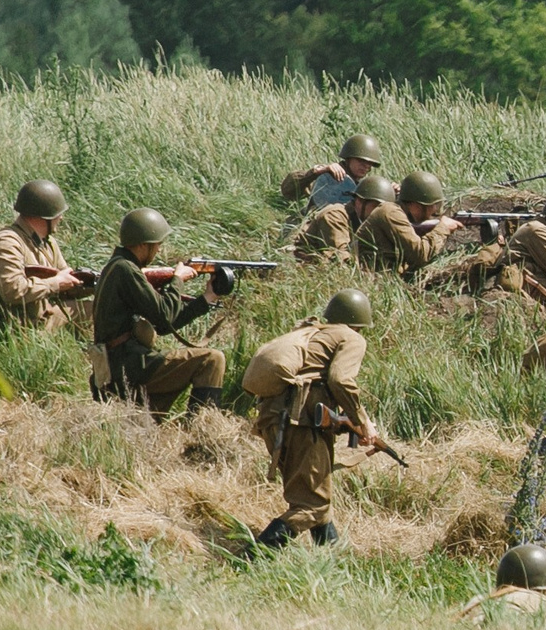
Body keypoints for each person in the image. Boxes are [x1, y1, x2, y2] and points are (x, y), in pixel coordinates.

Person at [239, 289, 387, 549]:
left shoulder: (315, 334)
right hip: (301, 423)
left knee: (318, 501)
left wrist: (350, 422)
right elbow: (341, 380)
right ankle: (249, 559)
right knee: (311, 506)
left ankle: (332, 560)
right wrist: (362, 421)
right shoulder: (351, 337)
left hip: (274, 420)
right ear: (360, 322)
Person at [89, 208, 228, 419]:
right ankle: (203, 429)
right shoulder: (126, 270)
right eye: (157, 244)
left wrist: (206, 299)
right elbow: (164, 315)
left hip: (117, 366)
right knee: (212, 359)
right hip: (128, 364)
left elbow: (164, 325)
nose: (158, 250)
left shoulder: (117, 267)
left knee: (144, 427)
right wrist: (178, 280)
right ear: (143, 245)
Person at [0, 179, 92, 331]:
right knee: (94, 312)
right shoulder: (7, 242)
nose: (61, 218)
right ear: (45, 216)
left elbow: (63, 285)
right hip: (7, 325)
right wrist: (56, 283)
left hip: (36, 317)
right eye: (58, 214)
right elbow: (12, 290)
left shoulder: (48, 242)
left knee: (96, 308)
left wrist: (90, 285)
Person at [354, 171, 463, 276]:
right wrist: (443, 228)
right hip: (368, 278)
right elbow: (419, 255)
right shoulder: (390, 212)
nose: (435, 210)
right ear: (417, 206)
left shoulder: (398, 213)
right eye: (433, 205)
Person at [286, 172, 394, 264]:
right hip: (300, 264)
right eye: (377, 206)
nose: (380, 212)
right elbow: (340, 258)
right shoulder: (334, 216)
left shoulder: (366, 220)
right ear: (359, 201)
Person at [282, 134, 384, 212]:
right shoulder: (327, 178)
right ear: (348, 158)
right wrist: (317, 172)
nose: (366, 166)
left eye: (370, 164)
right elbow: (288, 190)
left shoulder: (363, 188)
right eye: (361, 161)